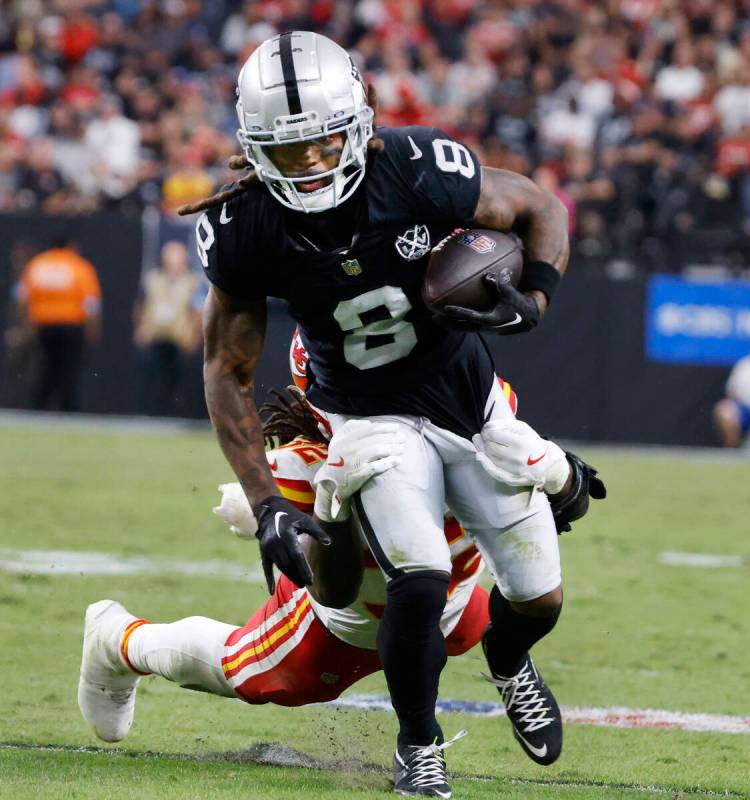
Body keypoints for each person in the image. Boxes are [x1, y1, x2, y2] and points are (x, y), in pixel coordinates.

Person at [178, 32, 591, 797]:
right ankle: (418, 743)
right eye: (288, 147)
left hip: (465, 398)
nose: (309, 161)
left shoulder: (415, 166)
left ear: (359, 118)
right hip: (365, 415)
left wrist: (533, 300)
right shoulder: (245, 226)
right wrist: (267, 504)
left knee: (539, 597)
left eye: (324, 139)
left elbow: (539, 204)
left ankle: (509, 659)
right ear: (254, 146)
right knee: (420, 579)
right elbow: (226, 370)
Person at [78, 335, 604, 768]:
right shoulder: (306, 466)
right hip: (345, 624)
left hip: (452, 604)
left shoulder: (480, 407)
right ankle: (118, 639)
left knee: (488, 615)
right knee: (249, 673)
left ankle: (511, 666)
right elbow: (333, 588)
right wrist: (330, 505)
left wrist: (555, 474)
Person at [15, 235, 101, 412]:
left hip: (43, 325)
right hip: (71, 325)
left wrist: (25, 325)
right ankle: (68, 409)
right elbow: (91, 304)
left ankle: (37, 408)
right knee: (68, 370)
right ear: (70, 246)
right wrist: (92, 329)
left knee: (44, 368)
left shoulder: (38, 264)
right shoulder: (78, 266)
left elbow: (22, 299)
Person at [132, 240, 203, 416]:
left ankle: (174, 414)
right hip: (155, 334)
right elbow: (141, 305)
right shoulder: (153, 278)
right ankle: (150, 413)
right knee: (152, 376)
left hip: (179, 337)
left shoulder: (192, 282)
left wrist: (194, 336)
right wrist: (140, 328)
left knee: (177, 378)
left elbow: (197, 312)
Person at [713, 354, 750, 448]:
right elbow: (732, 392)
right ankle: (733, 451)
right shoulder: (744, 364)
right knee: (725, 410)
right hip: (745, 409)